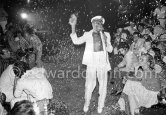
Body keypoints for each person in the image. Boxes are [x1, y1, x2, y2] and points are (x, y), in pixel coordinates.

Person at [69, 14, 113, 113]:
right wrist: (73, 26)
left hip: (102, 64)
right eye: (95, 22)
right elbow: (76, 41)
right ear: (92, 24)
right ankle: (86, 104)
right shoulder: (88, 34)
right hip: (92, 63)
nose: (97, 24)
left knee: (103, 85)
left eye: (99, 23)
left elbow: (110, 50)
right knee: (89, 85)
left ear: (101, 24)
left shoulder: (107, 34)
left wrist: (106, 41)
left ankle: (100, 106)